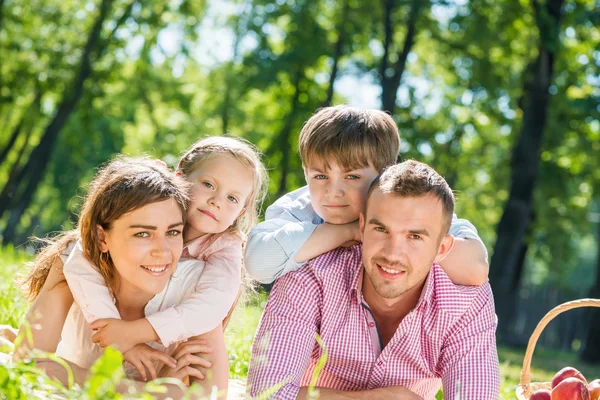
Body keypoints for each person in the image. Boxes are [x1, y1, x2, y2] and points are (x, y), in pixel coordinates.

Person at [247, 160, 500, 400]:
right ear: (362, 227)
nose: (392, 254)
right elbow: (268, 393)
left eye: (414, 237)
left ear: (442, 248)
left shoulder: (467, 302)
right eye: (381, 229)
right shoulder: (310, 275)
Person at [13, 157, 221, 399]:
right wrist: (152, 392)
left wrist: (75, 375)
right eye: (143, 233)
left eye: (173, 232)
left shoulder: (198, 287)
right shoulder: (74, 264)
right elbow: (25, 365)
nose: (163, 251)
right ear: (102, 238)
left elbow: (213, 393)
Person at [61, 136, 267, 379]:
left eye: (232, 198)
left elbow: (212, 305)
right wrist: (115, 331)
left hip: (168, 345)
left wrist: (136, 333)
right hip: (102, 335)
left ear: (240, 212)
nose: (216, 201)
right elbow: (81, 255)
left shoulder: (225, 247)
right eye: (209, 184)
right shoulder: (151, 202)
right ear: (179, 179)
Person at [245, 105, 489, 287]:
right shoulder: (298, 209)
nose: (333, 191)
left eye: (352, 177)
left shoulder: (415, 208)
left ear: (386, 174)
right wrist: (350, 231)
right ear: (306, 173)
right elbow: (257, 264)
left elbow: (475, 269)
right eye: (320, 176)